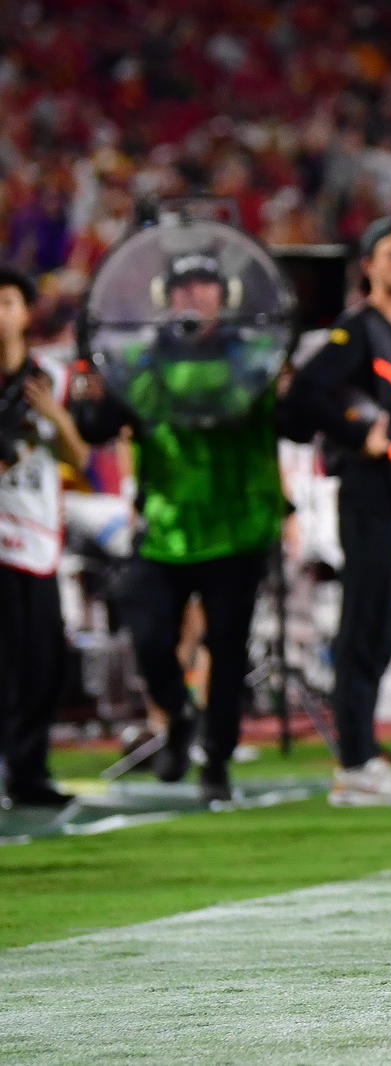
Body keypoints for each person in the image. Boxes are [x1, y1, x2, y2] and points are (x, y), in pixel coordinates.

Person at [74, 254, 283, 804]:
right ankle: (181, 717)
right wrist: (86, 381)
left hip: (237, 526)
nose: (194, 296)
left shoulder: (258, 358)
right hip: (165, 527)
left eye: (204, 286)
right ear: (168, 298)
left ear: (224, 295)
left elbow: (296, 421)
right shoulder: (142, 362)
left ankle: (216, 758)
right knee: (146, 637)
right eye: (184, 286)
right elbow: (97, 429)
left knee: (229, 648)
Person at [282, 218, 391, 806]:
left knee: (383, 631)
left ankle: (367, 756)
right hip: (371, 501)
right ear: (369, 267)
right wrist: (357, 428)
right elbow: (301, 400)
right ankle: (354, 762)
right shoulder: (355, 331)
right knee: (364, 631)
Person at [0, 266, 89, 807]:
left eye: (9, 302)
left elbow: (78, 457)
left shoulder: (49, 379)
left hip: (37, 539)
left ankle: (30, 773)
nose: (1, 314)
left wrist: (55, 418)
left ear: (27, 312)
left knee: (42, 666)